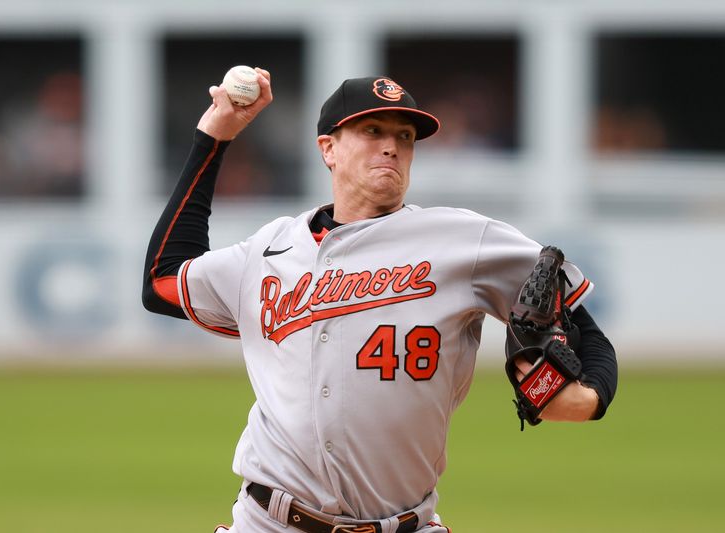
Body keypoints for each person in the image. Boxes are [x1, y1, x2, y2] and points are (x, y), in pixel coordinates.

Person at [143, 70, 618, 533]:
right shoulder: (270, 249)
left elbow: (583, 328)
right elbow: (163, 281)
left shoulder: (464, 240)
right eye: (372, 130)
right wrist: (214, 136)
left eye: (405, 136)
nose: (392, 145)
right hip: (270, 521)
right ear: (328, 148)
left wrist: (589, 398)